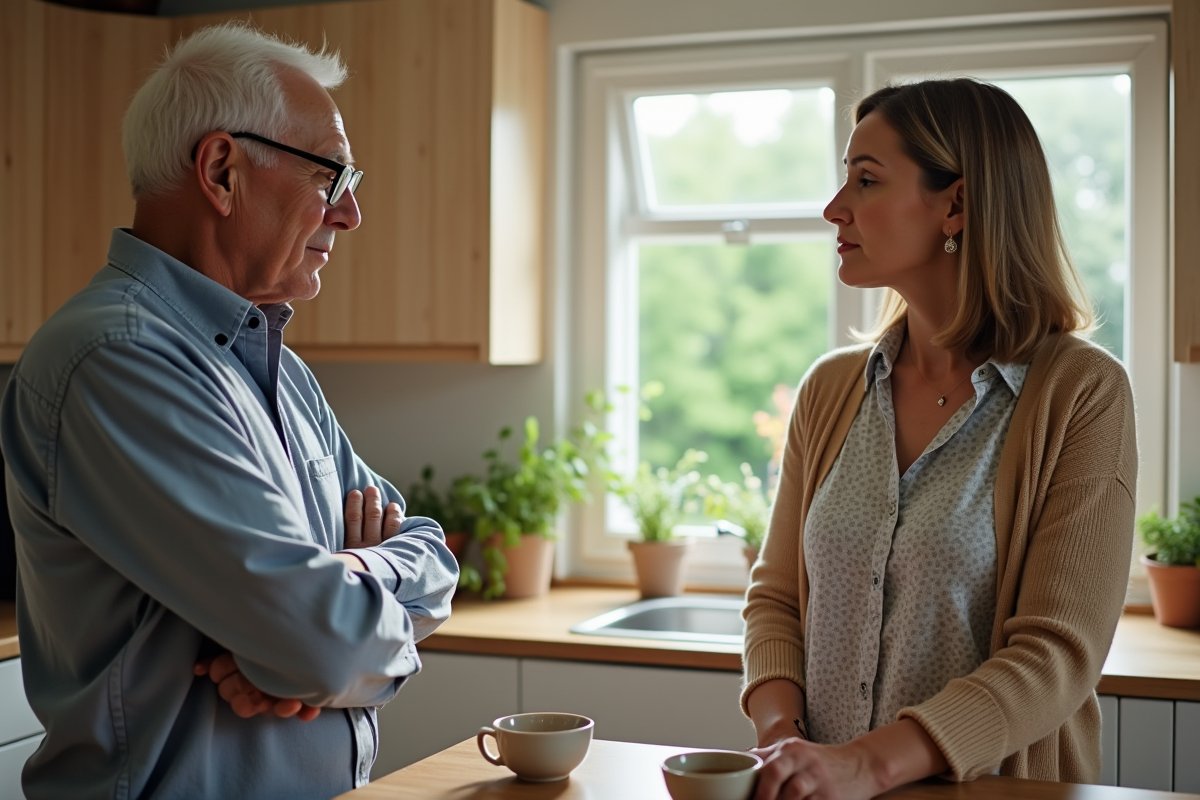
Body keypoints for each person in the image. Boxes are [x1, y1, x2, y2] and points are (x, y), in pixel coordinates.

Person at [0, 23, 459, 800]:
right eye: (330, 177)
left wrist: (352, 575)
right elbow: (322, 648)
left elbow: (432, 556)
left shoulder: (277, 368)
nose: (349, 214)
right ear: (222, 171)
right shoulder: (117, 360)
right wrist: (319, 646)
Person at [741, 78, 1138, 800]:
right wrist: (786, 744)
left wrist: (865, 765)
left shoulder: (1081, 394)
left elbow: (1055, 656)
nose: (835, 208)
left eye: (866, 180)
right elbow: (777, 601)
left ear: (955, 204)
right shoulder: (831, 390)